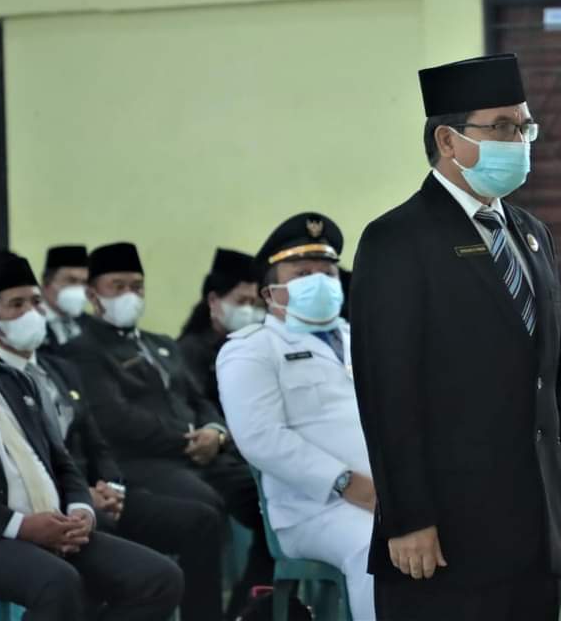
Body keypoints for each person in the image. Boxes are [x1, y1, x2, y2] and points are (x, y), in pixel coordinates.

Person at [350, 53, 561, 621]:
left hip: (533, 523)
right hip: (444, 530)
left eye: (524, 126)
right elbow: (387, 393)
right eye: (503, 126)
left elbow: (552, 376)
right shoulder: (396, 239)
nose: (520, 140)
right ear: (448, 141)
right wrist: (407, 517)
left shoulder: (532, 234)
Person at [0, 247, 182, 620]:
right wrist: (20, 526)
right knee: (59, 583)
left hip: (54, 528)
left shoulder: (14, 380)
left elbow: (60, 460)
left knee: (159, 578)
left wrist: (81, 509)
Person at [0, 250, 225, 621]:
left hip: (97, 495)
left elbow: (97, 442)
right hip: (56, 504)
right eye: (16, 304)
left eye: (34, 302)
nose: (31, 313)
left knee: (199, 521)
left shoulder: (57, 367)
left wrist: (112, 486)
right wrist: (82, 499)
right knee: (117, 561)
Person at [60, 242, 273, 618]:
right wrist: (187, 437)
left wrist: (214, 432)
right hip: (147, 463)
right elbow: (116, 419)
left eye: (137, 286)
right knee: (205, 509)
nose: (131, 295)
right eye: (118, 286)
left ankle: (246, 609)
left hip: (202, 456)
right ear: (93, 294)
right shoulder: (84, 349)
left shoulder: (160, 345)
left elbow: (201, 398)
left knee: (271, 503)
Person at [218, 212, 377, 621]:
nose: (320, 282)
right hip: (315, 508)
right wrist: (345, 483)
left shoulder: (366, 338)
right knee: (378, 547)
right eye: (303, 273)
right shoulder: (252, 348)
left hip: (391, 494)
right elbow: (261, 438)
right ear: (270, 291)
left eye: (327, 271)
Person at [179, 248, 262, 408]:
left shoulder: (250, 346)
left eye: (252, 303)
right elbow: (195, 405)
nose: (247, 310)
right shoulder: (191, 349)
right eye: (241, 301)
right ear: (213, 300)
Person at [40, 245, 90, 347]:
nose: (79, 289)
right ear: (47, 282)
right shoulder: (30, 323)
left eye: (84, 282)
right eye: (71, 281)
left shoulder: (90, 324)